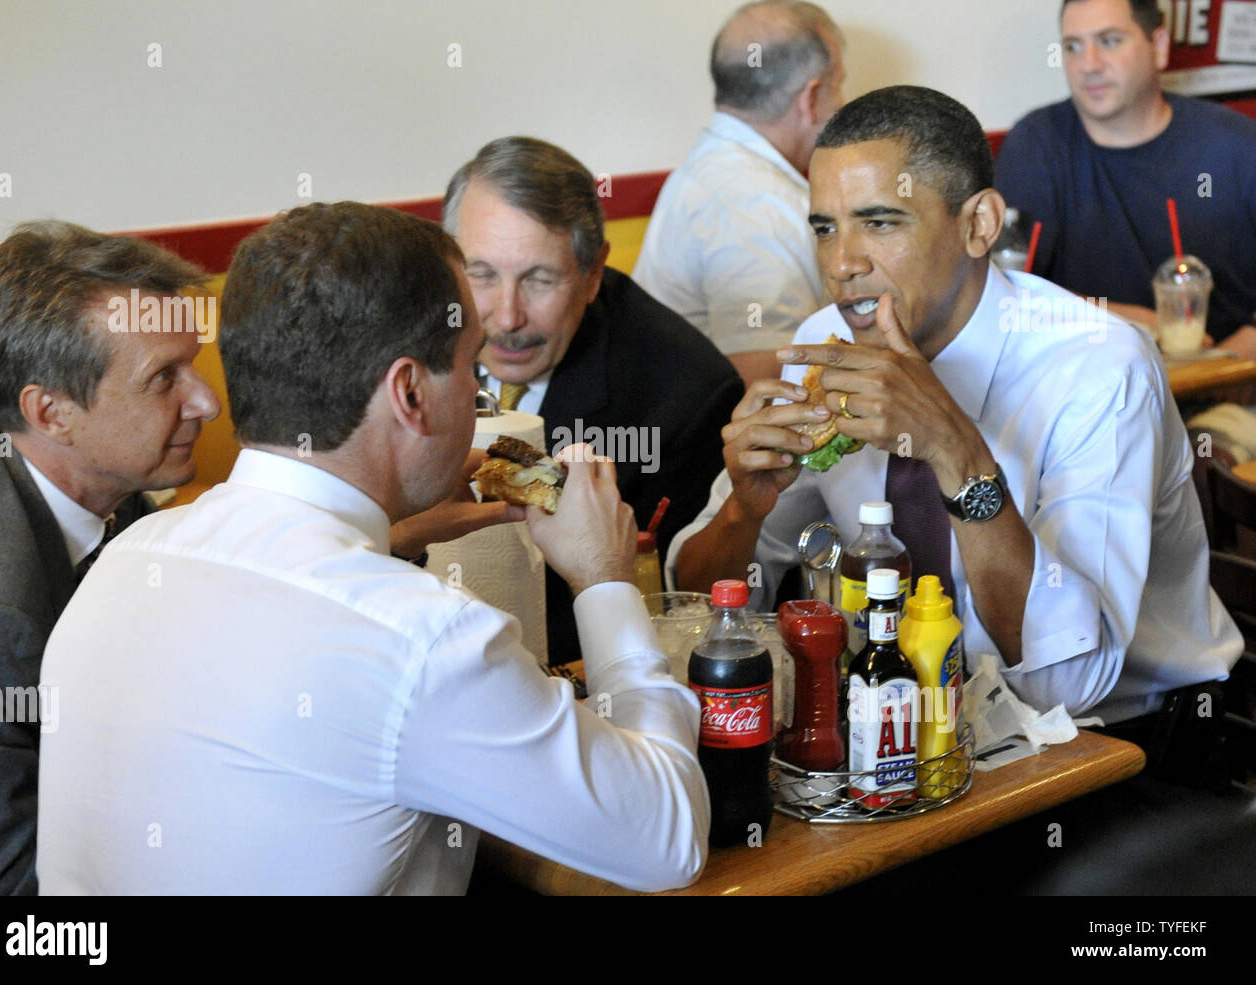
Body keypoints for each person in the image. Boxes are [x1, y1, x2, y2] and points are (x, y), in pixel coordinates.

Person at [36, 201, 710, 895]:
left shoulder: (129, 555)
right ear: (411, 393)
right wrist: (604, 579)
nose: (477, 397)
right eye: (470, 368)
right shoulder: (425, 639)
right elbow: (667, 837)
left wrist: (388, 538)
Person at [669, 85, 1241, 739]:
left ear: (979, 225)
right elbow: (697, 611)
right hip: (918, 737)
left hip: (1130, 741)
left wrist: (955, 451)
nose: (842, 263)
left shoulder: (1097, 367)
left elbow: (1067, 688)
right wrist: (745, 509)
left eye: (880, 222)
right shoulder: (825, 345)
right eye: (825, 228)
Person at [0, 221, 220, 895]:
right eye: (166, 377)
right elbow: (13, 886)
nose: (206, 400)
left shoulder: (99, 475)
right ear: (51, 412)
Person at [442, 136, 744, 663]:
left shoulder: (685, 395)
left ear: (592, 273)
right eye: (482, 275)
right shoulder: (410, 336)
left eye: (539, 279)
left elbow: (665, 611)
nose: (507, 317)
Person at [994, 0, 1256, 360]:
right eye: (1072, 46)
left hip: (1227, 386)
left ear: (1159, 46)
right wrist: (1136, 323)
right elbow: (1003, 295)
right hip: (1087, 382)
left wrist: (1232, 362)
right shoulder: (1035, 144)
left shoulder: (1234, 144)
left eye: (1110, 41)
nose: (1088, 65)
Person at [634, 1, 845, 386]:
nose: (843, 103)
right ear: (810, 98)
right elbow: (762, 380)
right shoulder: (757, 204)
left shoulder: (717, 170)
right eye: (840, 86)